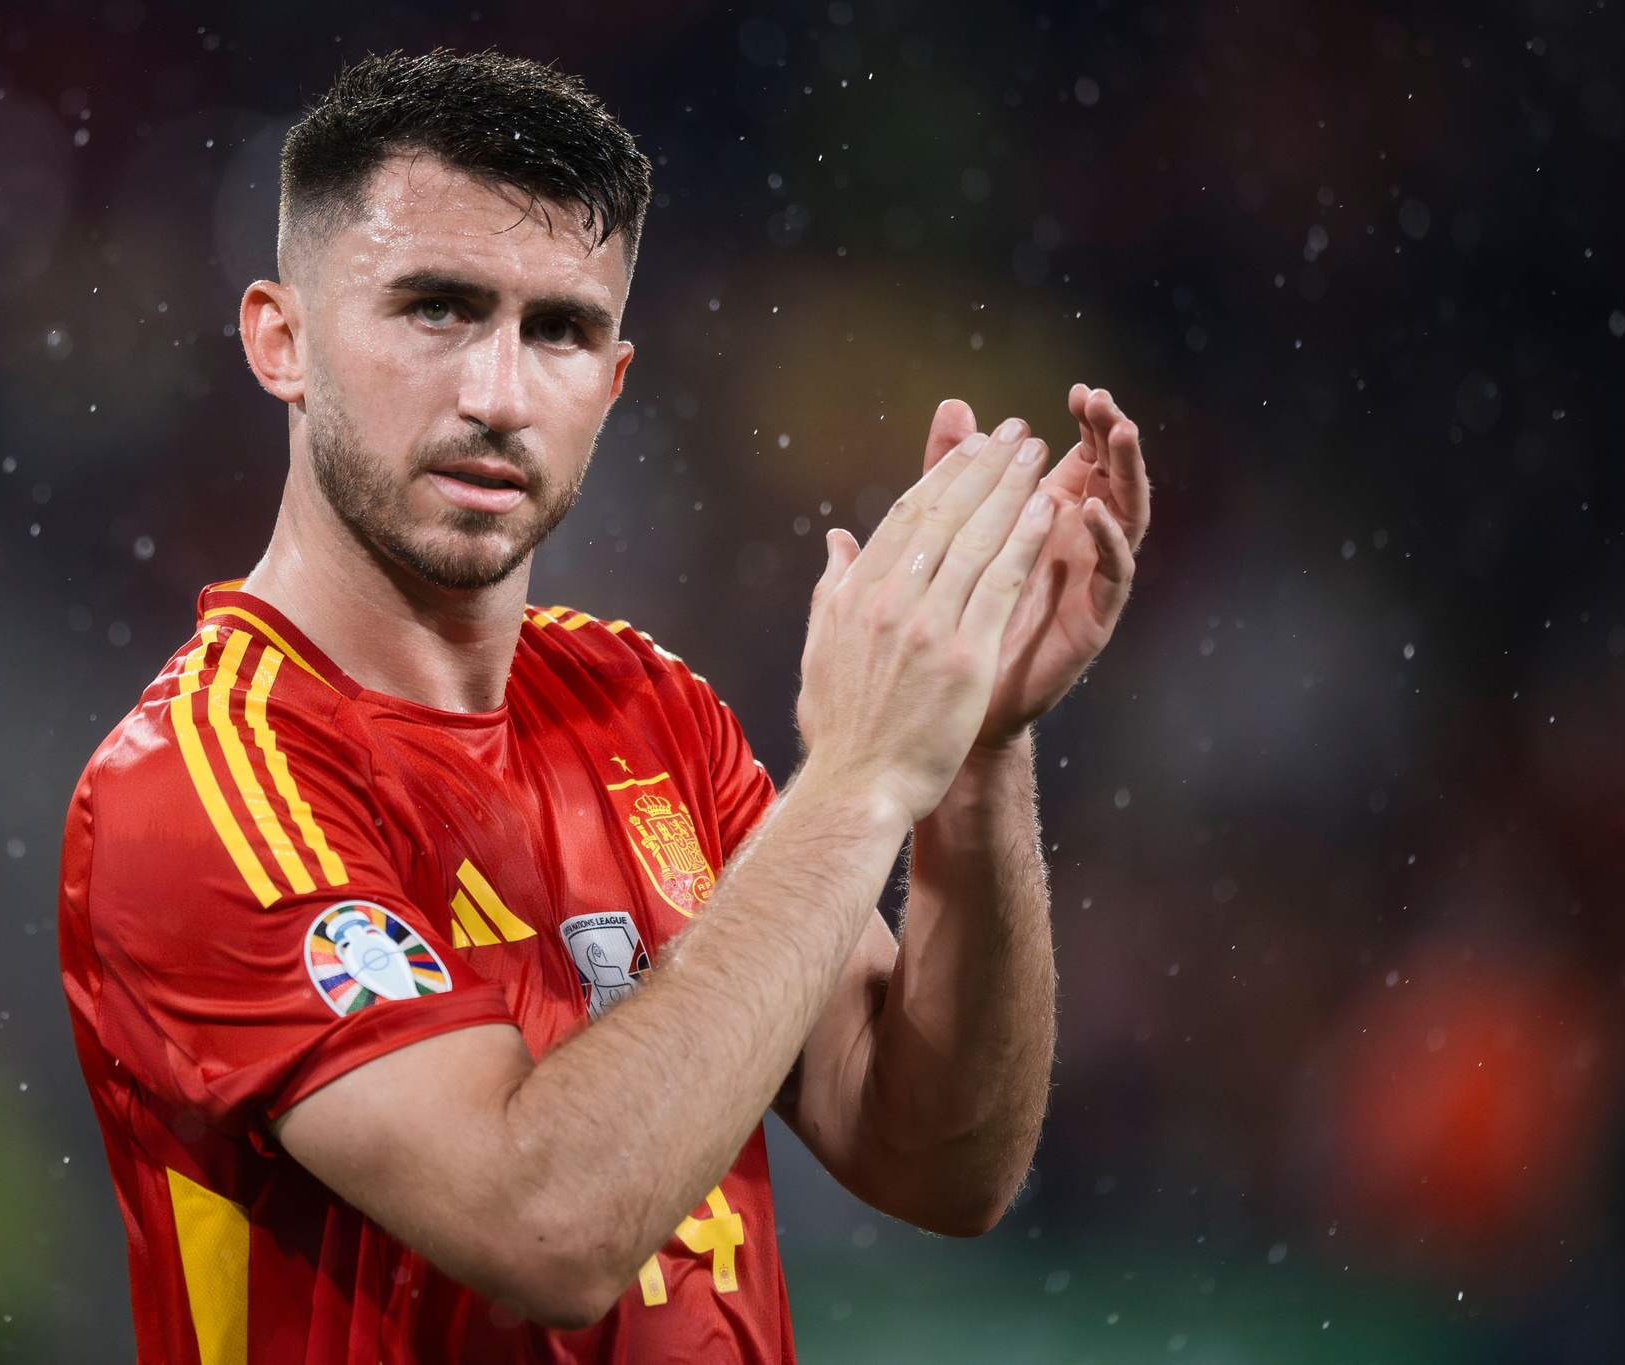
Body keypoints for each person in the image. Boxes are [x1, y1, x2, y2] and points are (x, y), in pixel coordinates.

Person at [57, 48, 1148, 1365]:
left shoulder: (648, 709)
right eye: (434, 309)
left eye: (558, 329)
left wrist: (972, 749)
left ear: (613, 382)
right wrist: (861, 777)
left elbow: (937, 1159)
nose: (498, 394)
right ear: (280, 340)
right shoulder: (198, 784)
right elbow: (547, 1228)